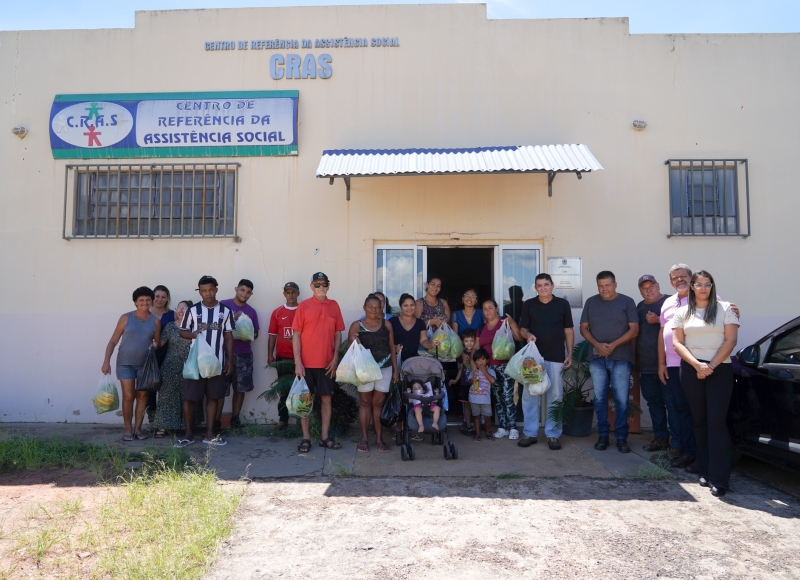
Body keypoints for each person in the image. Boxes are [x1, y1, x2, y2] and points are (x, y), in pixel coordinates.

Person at [658, 263, 740, 472]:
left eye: (683, 276)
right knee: (686, 413)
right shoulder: (669, 304)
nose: (679, 280)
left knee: (711, 419)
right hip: (681, 366)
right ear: (671, 282)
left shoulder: (719, 303)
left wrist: (708, 365)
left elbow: (727, 334)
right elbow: (665, 335)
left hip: (711, 366)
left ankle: (708, 464)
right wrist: (662, 363)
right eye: (675, 278)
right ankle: (690, 454)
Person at [580, 271, 639, 453]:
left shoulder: (627, 302)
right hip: (597, 359)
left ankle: (621, 437)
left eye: (607, 285)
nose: (604, 289)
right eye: (600, 285)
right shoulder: (591, 302)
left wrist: (612, 345)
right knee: (600, 399)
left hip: (621, 358)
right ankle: (603, 435)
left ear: (615, 284)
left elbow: (634, 330)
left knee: (621, 399)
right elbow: (583, 328)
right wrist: (598, 345)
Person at [518, 273, 575, 450]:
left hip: (556, 356)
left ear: (552, 285)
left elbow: (569, 331)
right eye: (539, 285)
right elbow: (522, 329)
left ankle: (553, 434)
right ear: (535, 288)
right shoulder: (529, 305)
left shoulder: (562, 304)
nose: (543, 288)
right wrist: (528, 335)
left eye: (546, 284)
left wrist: (570, 354)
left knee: (555, 396)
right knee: (530, 396)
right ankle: (530, 433)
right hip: (532, 360)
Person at [292, 272, 346, 453]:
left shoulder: (334, 306)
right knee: (304, 401)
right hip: (306, 364)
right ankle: (306, 438)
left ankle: (324, 437)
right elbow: (296, 334)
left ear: (328, 286)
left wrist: (336, 357)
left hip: (327, 364)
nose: (321, 288)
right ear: (311, 286)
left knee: (326, 399)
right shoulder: (304, 306)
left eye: (324, 284)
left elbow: (338, 333)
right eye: (317, 285)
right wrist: (298, 362)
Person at [179, 275, 234, 446]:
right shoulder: (193, 311)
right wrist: (193, 334)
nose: (208, 293)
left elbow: (229, 336)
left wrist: (229, 360)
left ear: (216, 290)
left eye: (210, 290)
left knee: (213, 397)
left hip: (216, 363)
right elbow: (182, 331)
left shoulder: (225, 311)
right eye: (204, 291)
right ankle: (188, 434)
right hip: (195, 363)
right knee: (189, 398)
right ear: (199, 292)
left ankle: (209, 434)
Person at [101, 286, 161, 442]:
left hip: (145, 365)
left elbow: (158, 342)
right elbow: (113, 341)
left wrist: (155, 345)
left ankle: (138, 429)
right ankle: (128, 429)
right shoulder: (125, 318)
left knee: (143, 396)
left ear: (151, 301)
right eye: (141, 300)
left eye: (148, 299)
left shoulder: (155, 321)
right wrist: (106, 361)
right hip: (125, 363)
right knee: (128, 396)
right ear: (135, 302)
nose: (145, 302)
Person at [347, 294, 399, 453]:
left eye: (377, 307)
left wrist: (395, 371)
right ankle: (364, 438)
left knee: (378, 404)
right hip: (365, 370)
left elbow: (392, 348)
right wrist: (355, 341)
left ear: (381, 308)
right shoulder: (357, 326)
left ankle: (378, 438)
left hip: (385, 368)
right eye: (370, 307)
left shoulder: (387, 325)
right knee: (365, 403)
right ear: (364, 308)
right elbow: (351, 350)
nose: (374, 310)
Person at [634, 275, 674, 454]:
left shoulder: (670, 303)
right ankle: (660, 438)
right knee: (654, 404)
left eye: (652, 286)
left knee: (672, 403)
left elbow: (682, 326)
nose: (648, 290)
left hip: (668, 365)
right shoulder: (640, 307)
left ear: (658, 286)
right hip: (647, 366)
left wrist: (659, 320)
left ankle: (678, 442)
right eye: (644, 288)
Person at [154, 300, 204, 441]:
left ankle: (187, 426)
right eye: (179, 308)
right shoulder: (170, 326)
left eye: (185, 308)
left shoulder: (195, 327)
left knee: (189, 396)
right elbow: (160, 344)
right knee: (167, 397)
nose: (181, 311)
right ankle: (163, 426)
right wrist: (154, 344)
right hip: (170, 366)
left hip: (191, 366)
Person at [475, 298, 523, 439]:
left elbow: (519, 338)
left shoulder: (504, 323)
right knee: (497, 398)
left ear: (496, 308)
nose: (488, 311)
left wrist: (512, 323)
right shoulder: (481, 328)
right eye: (485, 308)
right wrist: (474, 364)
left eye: (491, 307)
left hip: (506, 366)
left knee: (508, 397)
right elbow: (477, 348)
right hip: (490, 368)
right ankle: (503, 427)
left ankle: (513, 427)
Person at [220, 279, 260, 430]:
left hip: (244, 354)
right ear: (236, 289)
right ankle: (216, 421)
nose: (245, 294)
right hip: (223, 353)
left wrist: (249, 335)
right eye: (242, 290)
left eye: (248, 292)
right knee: (220, 389)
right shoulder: (223, 305)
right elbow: (215, 326)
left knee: (240, 388)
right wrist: (233, 319)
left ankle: (235, 419)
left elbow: (255, 334)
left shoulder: (251, 311)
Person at [267, 282, 300, 430]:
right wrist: (270, 354)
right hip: (282, 358)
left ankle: (301, 419)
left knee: (302, 390)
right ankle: (283, 419)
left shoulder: (304, 310)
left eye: (293, 292)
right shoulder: (277, 312)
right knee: (283, 390)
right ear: (284, 294)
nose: (291, 294)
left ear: (298, 293)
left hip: (301, 358)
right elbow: (272, 335)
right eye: (288, 292)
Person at [148, 285, 174, 430]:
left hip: (167, 355)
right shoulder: (146, 313)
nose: (159, 299)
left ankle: (164, 421)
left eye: (163, 297)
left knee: (165, 389)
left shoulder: (172, 314)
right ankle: (152, 421)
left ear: (167, 299)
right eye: (157, 296)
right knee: (150, 387)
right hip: (149, 356)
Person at [390, 293, 436, 365]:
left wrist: (431, 344)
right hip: (394, 362)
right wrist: (395, 347)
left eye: (412, 305)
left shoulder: (420, 322)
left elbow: (423, 340)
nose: (409, 308)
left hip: (414, 363)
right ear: (400, 306)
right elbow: (387, 341)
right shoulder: (392, 321)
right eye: (405, 305)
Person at [449, 329, 477, 434]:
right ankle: (468, 424)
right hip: (464, 383)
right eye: (466, 341)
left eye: (471, 341)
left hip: (475, 382)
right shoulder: (462, 354)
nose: (469, 343)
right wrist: (456, 380)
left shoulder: (477, 353)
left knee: (476, 404)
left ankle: (478, 424)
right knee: (466, 405)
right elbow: (461, 369)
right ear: (462, 342)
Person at [468, 348, 496, 441]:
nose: (481, 362)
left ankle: (488, 433)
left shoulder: (491, 371)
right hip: (474, 398)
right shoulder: (473, 371)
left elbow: (492, 381)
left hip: (485, 399)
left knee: (487, 417)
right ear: (475, 362)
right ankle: (478, 434)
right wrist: (472, 379)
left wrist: (484, 371)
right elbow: (468, 382)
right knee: (476, 417)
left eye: (483, 359)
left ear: (487, 360)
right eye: (478, 360)